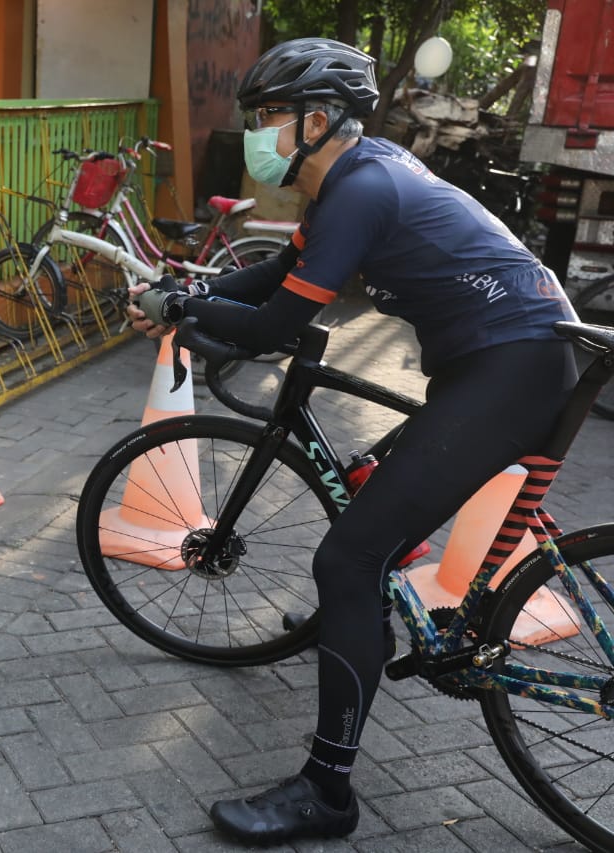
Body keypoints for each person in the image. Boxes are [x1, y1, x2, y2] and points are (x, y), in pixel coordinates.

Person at [127, 38, 578, 845]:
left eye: (270, 117)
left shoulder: (361, 190)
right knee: (368, 520)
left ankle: (327, 790)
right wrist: (187, 291)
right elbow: (266, 280)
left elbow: (272, 325)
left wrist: (174, 310)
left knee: (345, 559)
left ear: (318, 118)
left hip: (512, 368)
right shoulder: (353, 179)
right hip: (501, 360)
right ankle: (355, 632)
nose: (261, 133)